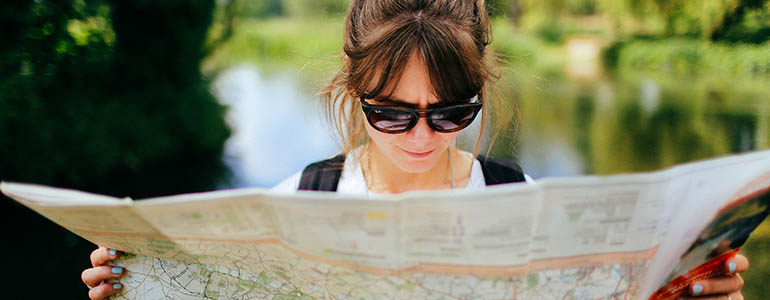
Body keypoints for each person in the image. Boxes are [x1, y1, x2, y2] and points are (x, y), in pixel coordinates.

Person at [80, 1, 750, 299]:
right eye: (393, 114)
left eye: (452, 112)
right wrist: (136, 287)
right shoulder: (300, 200)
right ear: (353, 88)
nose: (425, 139)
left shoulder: (521, 200)